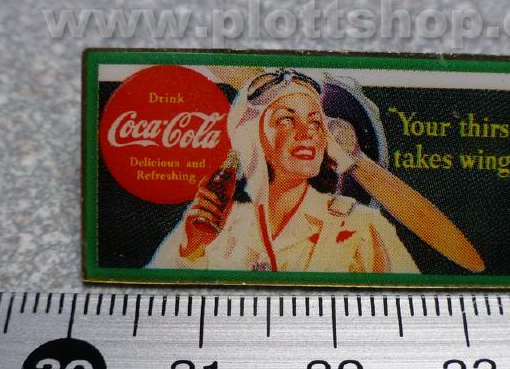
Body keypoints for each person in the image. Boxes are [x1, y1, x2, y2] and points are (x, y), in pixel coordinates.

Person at [147, 70, 419, 273]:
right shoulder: (215, 223)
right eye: (287, 120)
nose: (307, 133)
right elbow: (158, 300)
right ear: (252, 138)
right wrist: (191, 250)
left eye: (315, 122)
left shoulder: (362, 225)